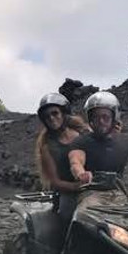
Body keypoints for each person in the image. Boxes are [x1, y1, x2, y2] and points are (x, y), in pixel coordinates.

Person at [34, 93, 89, 223]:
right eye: (47, 116)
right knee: (69, 217)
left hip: (94, 186)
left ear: (64, 113)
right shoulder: (47, 146)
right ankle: (65, 242)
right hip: (69, 192)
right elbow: (55, 182)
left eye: (55, 113)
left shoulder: (83, 133)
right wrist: (77, 187)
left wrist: (115, 133)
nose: (51, 118)